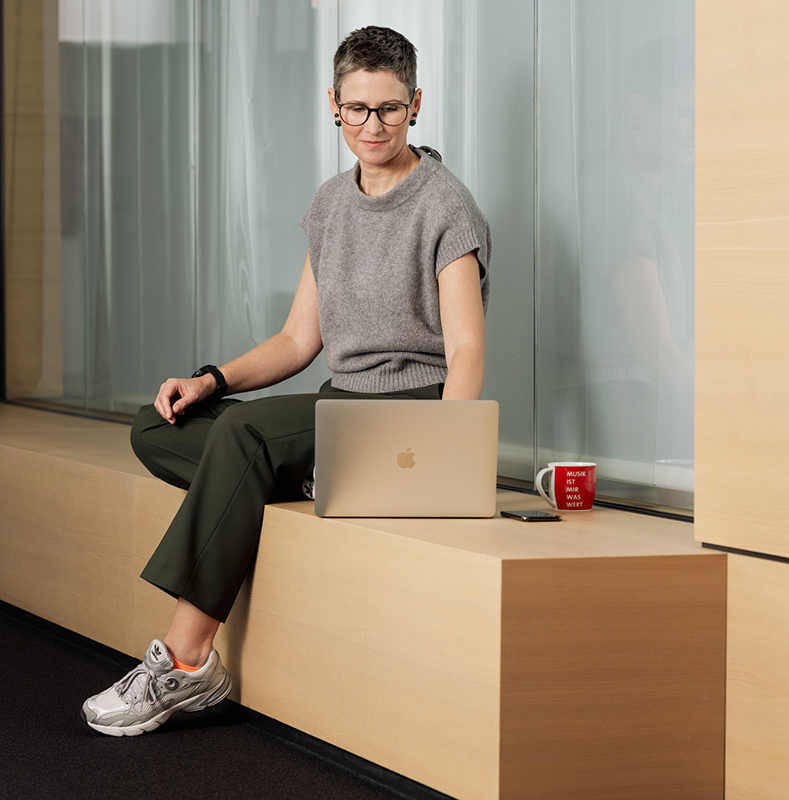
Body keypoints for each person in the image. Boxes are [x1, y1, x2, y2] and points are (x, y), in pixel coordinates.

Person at [81, 25, 491, 737]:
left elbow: (466, 349)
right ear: (332, 103)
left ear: (416, 104)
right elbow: (299, 341)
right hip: (341, 409)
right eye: (358, 108)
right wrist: (210, 379)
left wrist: (440, 465)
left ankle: (186, 661)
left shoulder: (445, 205)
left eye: (389, 108)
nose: (372, 125)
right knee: (159, 425)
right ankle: (319, 480)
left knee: (245, 433)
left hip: (405, 413)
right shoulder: (331, 203)